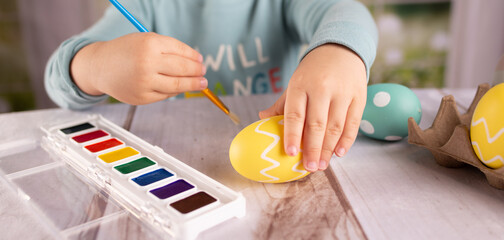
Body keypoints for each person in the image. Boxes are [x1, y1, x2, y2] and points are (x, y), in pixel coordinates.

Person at [45, 0, 378, 173]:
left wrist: (339, 51)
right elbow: (57, 80)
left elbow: (346, 11)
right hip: (179, 163)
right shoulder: (146, 5)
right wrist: (97, 65)